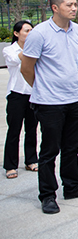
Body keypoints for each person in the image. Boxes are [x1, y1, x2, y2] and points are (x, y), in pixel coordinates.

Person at [21, 0, 78, 214]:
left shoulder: (77, 31)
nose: (75, 8)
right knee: (49, 151)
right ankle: (47, 195)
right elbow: (27, 67)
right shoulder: (40, 33)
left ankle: (72, 185)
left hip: (74, 98)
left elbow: (74, 60)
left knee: (72, 147)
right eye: (69, 5)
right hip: (49, 102)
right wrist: (42, 88)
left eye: (75, 4)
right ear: (55, 8)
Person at [3, 20, 38, 179]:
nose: (30, 33)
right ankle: (10, 165)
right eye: (26, 31)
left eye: (32, 30)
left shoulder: (36, 49)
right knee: (14, 131)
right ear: (16, 34)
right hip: (16, 95)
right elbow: (16, 60)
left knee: (31, 130)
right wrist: (33, 45)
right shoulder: (9, 50)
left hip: (33, 95)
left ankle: (31, 160)